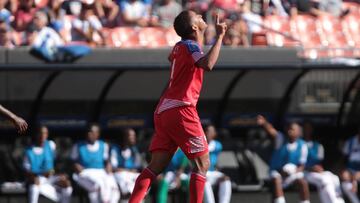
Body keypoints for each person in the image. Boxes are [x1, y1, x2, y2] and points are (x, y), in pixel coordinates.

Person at [128, 10, 227, 203]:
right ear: (194, 27)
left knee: (155, 165)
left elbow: (174, 62)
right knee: (202, 164)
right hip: (182, 108)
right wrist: (221, 36)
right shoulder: (190, 46)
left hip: (164, 109)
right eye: (197, 16)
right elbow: (208, 64)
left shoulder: (181, 46)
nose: (201, 16)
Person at [256, 115, 310, 203]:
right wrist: (264, 123)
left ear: (298, 132)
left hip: (292, 173)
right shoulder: (281, 139)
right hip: (277, 171)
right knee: (276, 179)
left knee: (302, 182)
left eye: (292, 129)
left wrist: (293, 172)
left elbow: (302, 165)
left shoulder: (303, 145)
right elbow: (271, 131)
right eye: (288, 129)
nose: (290, 131)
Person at [71, 123, 120, 203]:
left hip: (100, 172)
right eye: (88, 132)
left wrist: (108, 165)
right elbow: (73, 162)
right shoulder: (78, 146)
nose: (89, 134)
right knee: (97, 185)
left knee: (113, 187)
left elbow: (106, 161)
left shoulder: (103, 145)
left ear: (97, 134)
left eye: (92, 132)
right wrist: (76, 166)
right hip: (85, 173)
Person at [23, 126, 72, 203]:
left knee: (66, 183)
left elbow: (56, 162)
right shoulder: (29, 151)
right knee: (34, 184)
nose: (43, 135)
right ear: (36, 135)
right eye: (40, 133)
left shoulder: (51, 145)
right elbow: (27, 171)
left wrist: (61, 174)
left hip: (51, 178)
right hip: (37, 179)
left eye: (45, 133)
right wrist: (40, 174)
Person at [303, 122, 344, 203]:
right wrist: (310, 168)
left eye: (309, 128)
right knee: (324, 180)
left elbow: (319, 163)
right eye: (305, 128)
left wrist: (319, 168)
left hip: (315, 172)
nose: (307, 130)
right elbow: (297, 164)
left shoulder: (318, 146)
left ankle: (339, 200)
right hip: (304, 172)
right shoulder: (300, 144)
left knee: (334, 178)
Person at [110, 128, 142, 199]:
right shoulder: (115, 148)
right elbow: (114, 167)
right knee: (123, 176)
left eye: (134, 136)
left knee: (141, 179)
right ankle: (128, 196)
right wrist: (127, 170)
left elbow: (137, 167)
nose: (133, 138)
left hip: (131, 174)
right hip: (119, 174)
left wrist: (128, 170)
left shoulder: (135, 149)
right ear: (124, 137)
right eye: (131, 136)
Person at [203, 125, 232, 203]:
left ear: (214, 134)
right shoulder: (199, 144)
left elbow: (213, 157)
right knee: (204, 180)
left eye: (212, 132)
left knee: (225, 178)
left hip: (211, 172)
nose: (209, 133)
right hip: (200, 173)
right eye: (208, 131)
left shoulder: (217, 145)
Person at [341, 127, 360, 203]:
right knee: (346, 184)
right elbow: (344, 159)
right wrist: (344, 171)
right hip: (350, 169)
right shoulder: (351, 141)